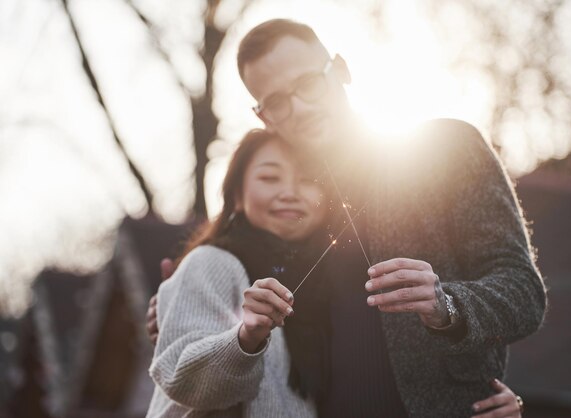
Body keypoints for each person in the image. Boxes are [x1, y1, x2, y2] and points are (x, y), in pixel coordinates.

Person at [150, 18, 543, 418]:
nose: (299, 108)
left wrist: (448, 306)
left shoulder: (445, 150)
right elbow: (229, 298)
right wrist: (173, 304)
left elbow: (524, 291)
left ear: (341, 70)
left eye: (307, 83)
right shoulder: (297, 202)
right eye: (277, 102)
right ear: (264, 116)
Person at [147, 129, 330, 417]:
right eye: (269, 178)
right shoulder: (211, 262)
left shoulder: (332, 279)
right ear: (238, 196)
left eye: (307, 180)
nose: (290, 193)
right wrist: (245, 338)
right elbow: (178, 378)